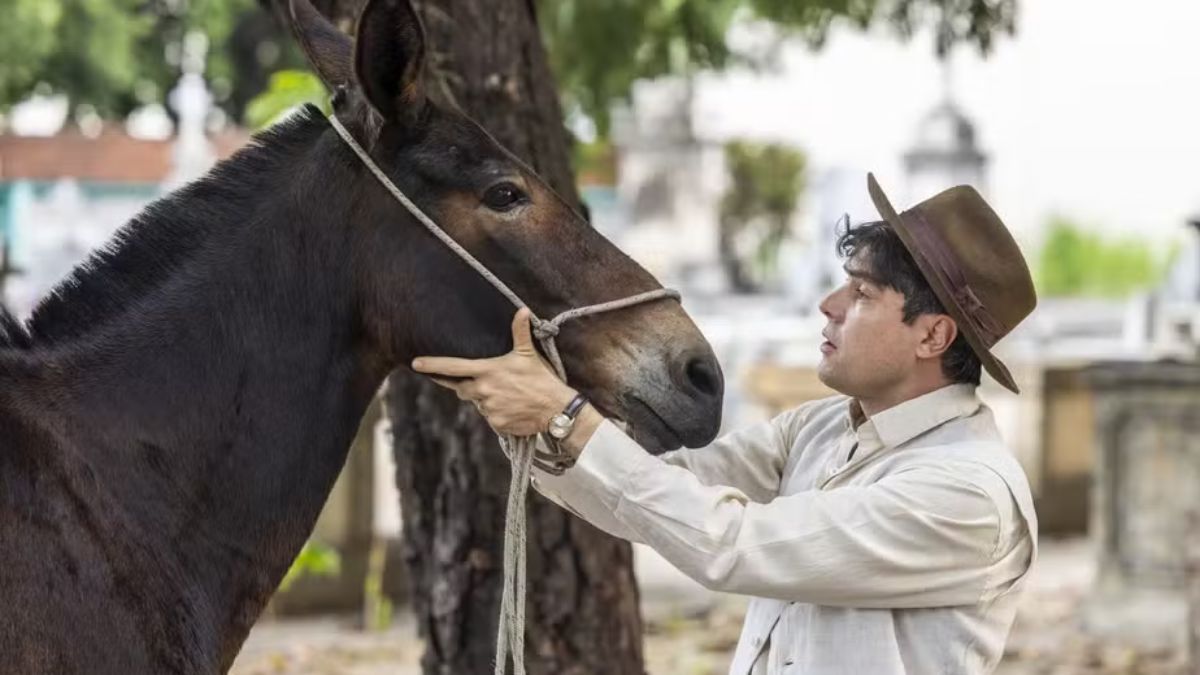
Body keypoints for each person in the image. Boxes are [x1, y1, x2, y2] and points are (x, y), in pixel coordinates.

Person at [412, 173, 1038, 674]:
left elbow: (733, 544)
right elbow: (649, 490)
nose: (829, 305)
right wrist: (527, 413)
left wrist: (563, 416)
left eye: (863, 294)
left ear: (933, 334)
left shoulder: (969, 494)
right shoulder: (820, 429)